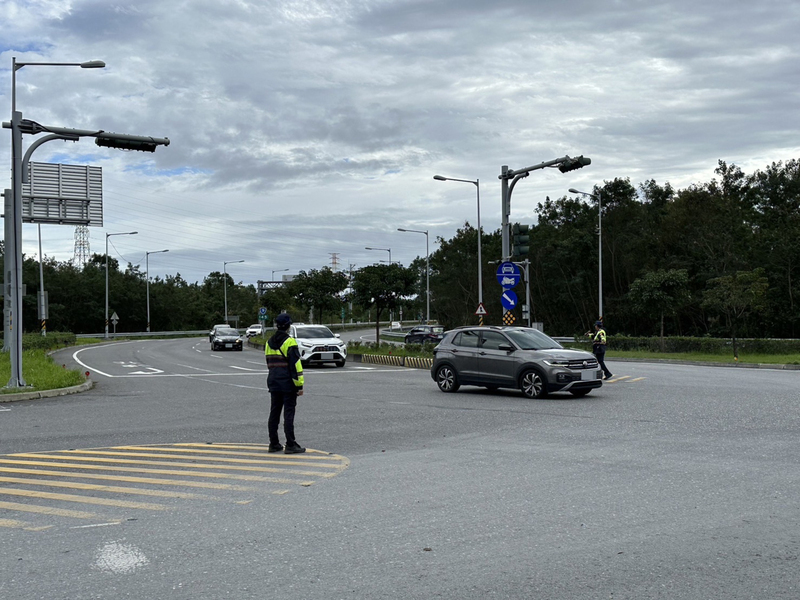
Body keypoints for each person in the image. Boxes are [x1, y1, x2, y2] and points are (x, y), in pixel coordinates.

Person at [265, 313, 305, 454]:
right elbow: (295, 366)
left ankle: (274, 443)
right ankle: (290, 444)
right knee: (288, 413)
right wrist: (299, 385)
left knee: (274, 413)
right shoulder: (290, 342)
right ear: (288, 326)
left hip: (273, 381)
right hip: (287, 384)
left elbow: (269, 362)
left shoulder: (269, 342)